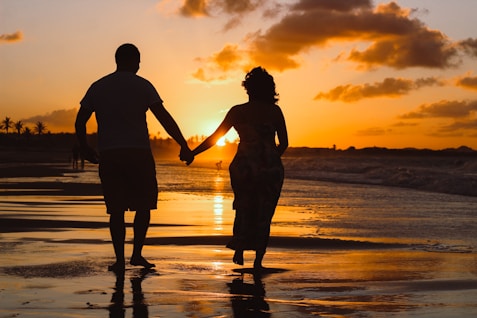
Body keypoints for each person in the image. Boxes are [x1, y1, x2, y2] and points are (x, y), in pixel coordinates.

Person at [75, 43, 193, 272]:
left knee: (116, 210)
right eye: (138, 61)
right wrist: (183, 144)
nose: (139, 65)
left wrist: (85, 147)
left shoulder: (98, 86)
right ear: (134, 60)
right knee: (144, 206)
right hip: (138, 153)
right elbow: (164, 118)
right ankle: (137, 254)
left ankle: (120, 260)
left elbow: (80, 121)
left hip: (110, 154)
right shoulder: (143, 85)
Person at [191, 67, 288, 270]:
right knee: (264, 213)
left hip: (244, 167)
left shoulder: (238, 111)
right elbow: (284, 143)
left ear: (248, 89)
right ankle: (258, 261)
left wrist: (192, 153)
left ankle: (240, 249)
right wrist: (269, 158)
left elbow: (214, 138)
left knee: (244, 207)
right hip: (271, 169)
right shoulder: (275, 111)